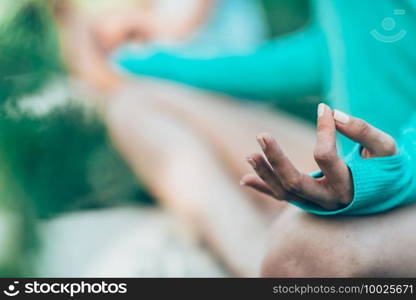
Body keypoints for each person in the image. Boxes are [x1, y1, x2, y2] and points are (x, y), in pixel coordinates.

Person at [60, 0, 416, 277]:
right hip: (364, 170)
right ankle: (255, 265)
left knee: (305, 252)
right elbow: (333, 52)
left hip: (395, 176)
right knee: (134, 106)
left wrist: (388, 175)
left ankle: (278, 261)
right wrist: (140, 63)